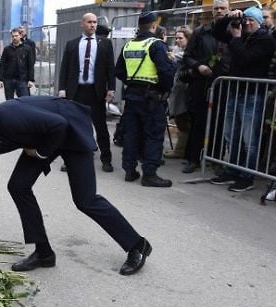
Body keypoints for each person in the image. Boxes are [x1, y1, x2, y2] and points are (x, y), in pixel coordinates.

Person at [0, 96, 152, 276]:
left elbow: (59, 125)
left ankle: (137, 245)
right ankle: (44, 253)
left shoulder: (4, 117)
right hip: (43, 138)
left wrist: (41, 153)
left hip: (69, 131)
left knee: (85, 200)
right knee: (18, 186)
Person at [209, 6, 275, 192]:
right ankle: (232, 170)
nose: (245, 23)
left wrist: (237, 38)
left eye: (250, 20)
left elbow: (246, 59)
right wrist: (228, 18)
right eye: (244, 20)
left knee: (249, 140)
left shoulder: (266, 40)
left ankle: (247, 176)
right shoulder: (241, 36)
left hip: (253, 95)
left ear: (259, 22)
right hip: (235, 93)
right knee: (232, 135)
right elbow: (216, 32)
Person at [115, 11, 176, 187]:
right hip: (152, 98)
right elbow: (166, 72)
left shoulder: (128, 46)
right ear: (154, 26)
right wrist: (165, 89)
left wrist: (133, 82)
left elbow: (119, 71)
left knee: (131, 134)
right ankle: (149, 174)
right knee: (153, 135)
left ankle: (129, 171)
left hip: (132, 96)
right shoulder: (156, 45)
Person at [58, 12, 116, 173]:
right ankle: (70, 160)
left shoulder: (104, 43)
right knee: (74, 127)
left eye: (95, 22)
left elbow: (110, 68)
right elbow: (65, 69)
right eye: (89, 22)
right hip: (76, 92)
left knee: (101, 127)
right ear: (82, 24)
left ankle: (106, 159)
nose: (93, 25)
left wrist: (111, 88)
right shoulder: (72, 44)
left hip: (95, 92)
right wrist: (62, 89)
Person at [182, 0, 230, 173]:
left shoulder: (234, 31)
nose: (219, 11)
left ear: (229, 10)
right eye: (216, 8)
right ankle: (193, 159)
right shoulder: (200, 32)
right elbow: (187, 56)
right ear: (212, 11)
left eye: (223, 8)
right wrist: (198, 66)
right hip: (201, 84)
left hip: (225, 85)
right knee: (199, 122)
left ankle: (216, 160)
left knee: (219, 122)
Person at [165, 26, 193, 160]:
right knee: (180, 120)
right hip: (177, 89)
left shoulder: (188, 53)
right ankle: (181, 149)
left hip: (184, 90)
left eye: (180, 38)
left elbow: (171, 57)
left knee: (183, 121)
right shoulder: (178, 50)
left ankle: (181, 150)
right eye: (176, 38)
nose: (177, 41)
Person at [0, 27, 34, 100]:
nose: (14, 38)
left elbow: (30, 65)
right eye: (13, 36)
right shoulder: (7, 49)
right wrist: (0, 79)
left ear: (20, 36)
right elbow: (2, 65)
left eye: (16, 36)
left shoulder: (27, 49)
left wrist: (31, 79)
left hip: (22, 80)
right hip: (9, 80)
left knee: (25, 100)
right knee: (9, 102)